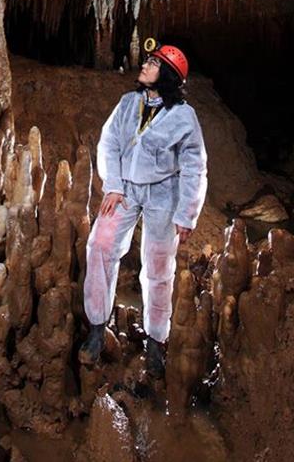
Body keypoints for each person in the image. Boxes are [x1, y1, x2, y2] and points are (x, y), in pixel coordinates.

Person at [79, 43, 208, 376]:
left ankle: (156, 341)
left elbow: (195, 166)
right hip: (125, 189)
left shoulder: (183, 116)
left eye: (153, 63)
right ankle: (96, 327)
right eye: (149, 60)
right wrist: (113, 185)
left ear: (165, 75)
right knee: (100, 245)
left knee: (159, 265)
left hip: (164, 194)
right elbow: (109, 142)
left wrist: (187, 212)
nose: (145, 66)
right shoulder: (128, 104)